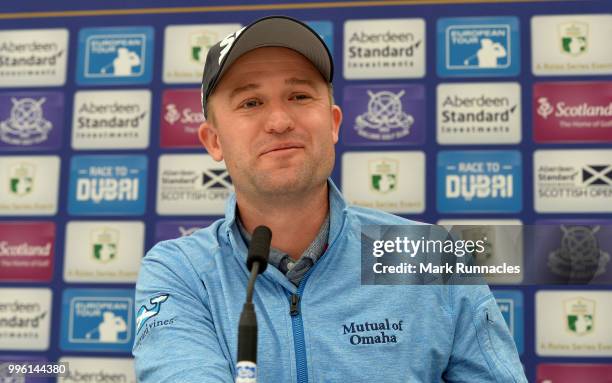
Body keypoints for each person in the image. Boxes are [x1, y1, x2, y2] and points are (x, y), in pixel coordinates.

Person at [133, 16, 527, 382]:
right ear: (214, 141)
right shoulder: (182, 272)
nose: (279, 121)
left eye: (300, 96)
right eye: (251, 103)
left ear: (334, 123)